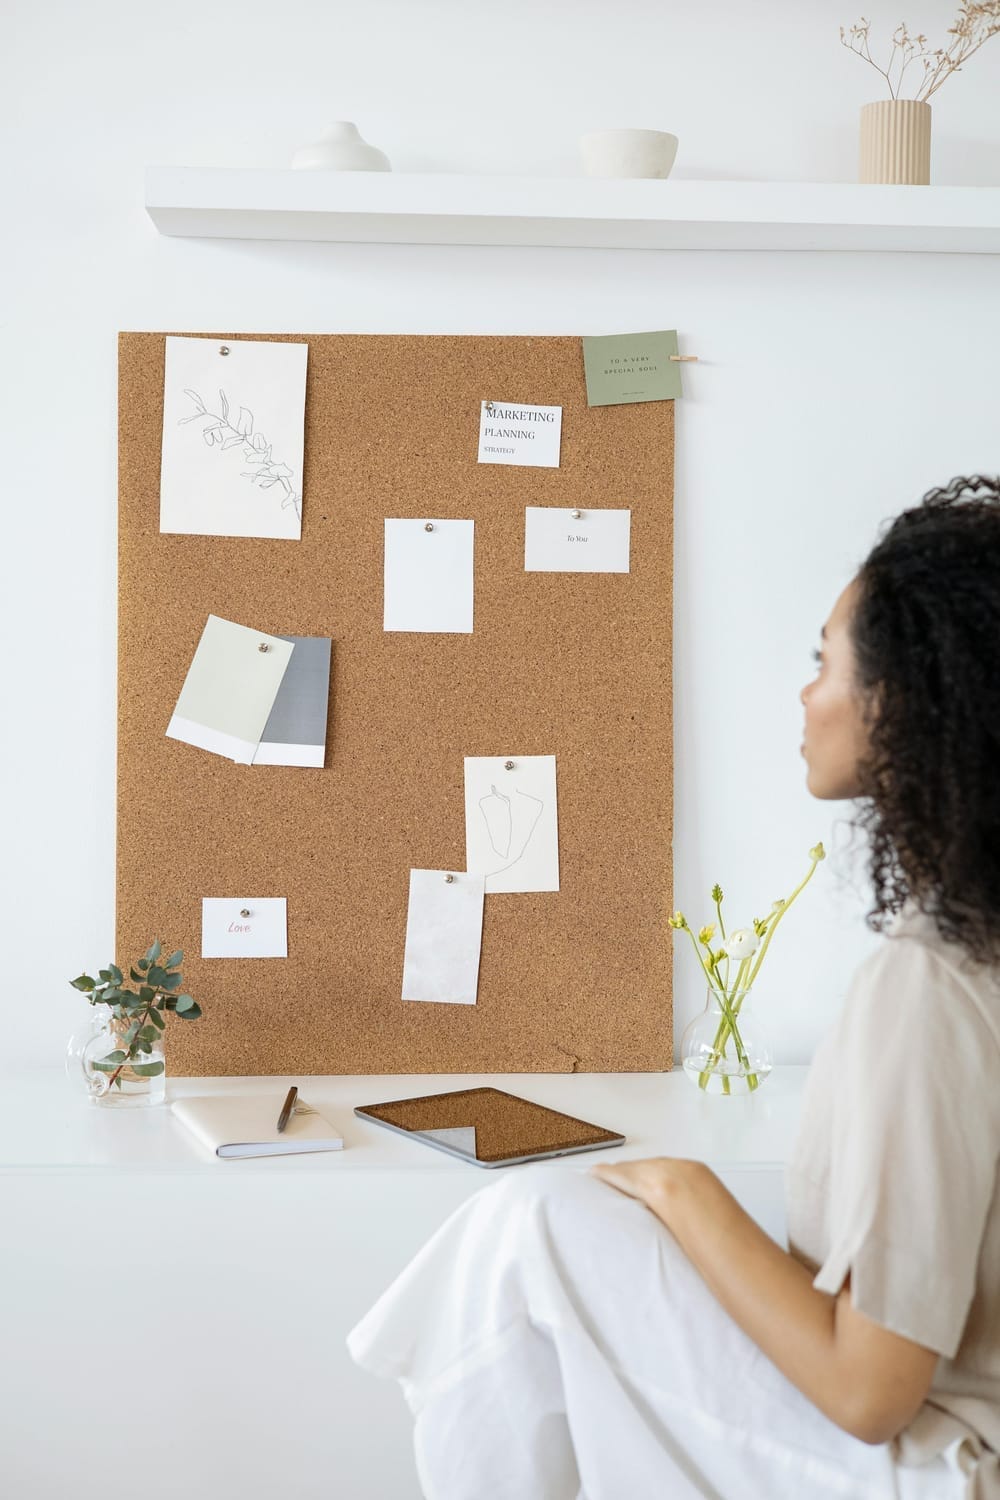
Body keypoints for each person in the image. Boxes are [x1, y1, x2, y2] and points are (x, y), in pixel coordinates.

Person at [347, 475, 1000, 1500]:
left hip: (930, 1468)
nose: (803, 694)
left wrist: (683, 1189)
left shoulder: (926, 981)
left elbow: (870, 1391)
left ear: (899, 700)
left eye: (821, 662)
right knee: (537, 1219)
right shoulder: (979, 950)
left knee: (530, 1225)